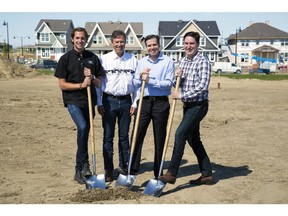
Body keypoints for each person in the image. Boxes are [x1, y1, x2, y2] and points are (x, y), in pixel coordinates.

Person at [158, 31, 214, 185]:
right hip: (188, 106)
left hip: (199, 105)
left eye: (192, 44)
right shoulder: (182, 61)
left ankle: (171, 173)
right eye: (186, 43)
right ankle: (207, 174)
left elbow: (202, 86)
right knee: (193, 139)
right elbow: (180, 83)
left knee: (180, 134)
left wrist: (181, 95)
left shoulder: (203, 62)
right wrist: (178, 77)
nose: (189, 46)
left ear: (197, 44)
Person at [54, 27, 105, 185]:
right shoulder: (65, 59)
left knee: (85, 134)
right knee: (82, 127)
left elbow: (100, 83)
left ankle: (82, 168)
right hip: (73, 101)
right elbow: (62, 85)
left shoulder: (93, 58)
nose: (80, 41)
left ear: (86, 39)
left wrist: (92, 77)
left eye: (82, 38)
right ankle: (82, 166)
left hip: (89, 102)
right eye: (77, 38)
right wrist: (81, 85)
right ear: (72, 39)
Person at [124, 34, 174, 179]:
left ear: (159, 45)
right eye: (149, 46)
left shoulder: (168, 62)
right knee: (137, 135)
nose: (152, 48)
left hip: (161, 103)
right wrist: (140, 77)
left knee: (160, 137)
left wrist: (150, 80)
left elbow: (168, 84)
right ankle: (132, 169)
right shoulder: (142, 62)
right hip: (144, 102)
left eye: (154, 45)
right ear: (146, 47)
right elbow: (135, 83)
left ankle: (158, 172)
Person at [96, 30, 138, 182]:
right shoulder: (104, 60)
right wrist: (99, 102)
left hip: (126, 101)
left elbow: (137, 85)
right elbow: (99, 83)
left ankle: (124, 167)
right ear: (112, 42)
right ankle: (108, 170)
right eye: (116, 42)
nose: (119, 44)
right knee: (108, 137)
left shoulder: (133, 60)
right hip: (109, 101)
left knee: (124, 137)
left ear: (125, 42)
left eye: (122, 42)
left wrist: (135, 102)